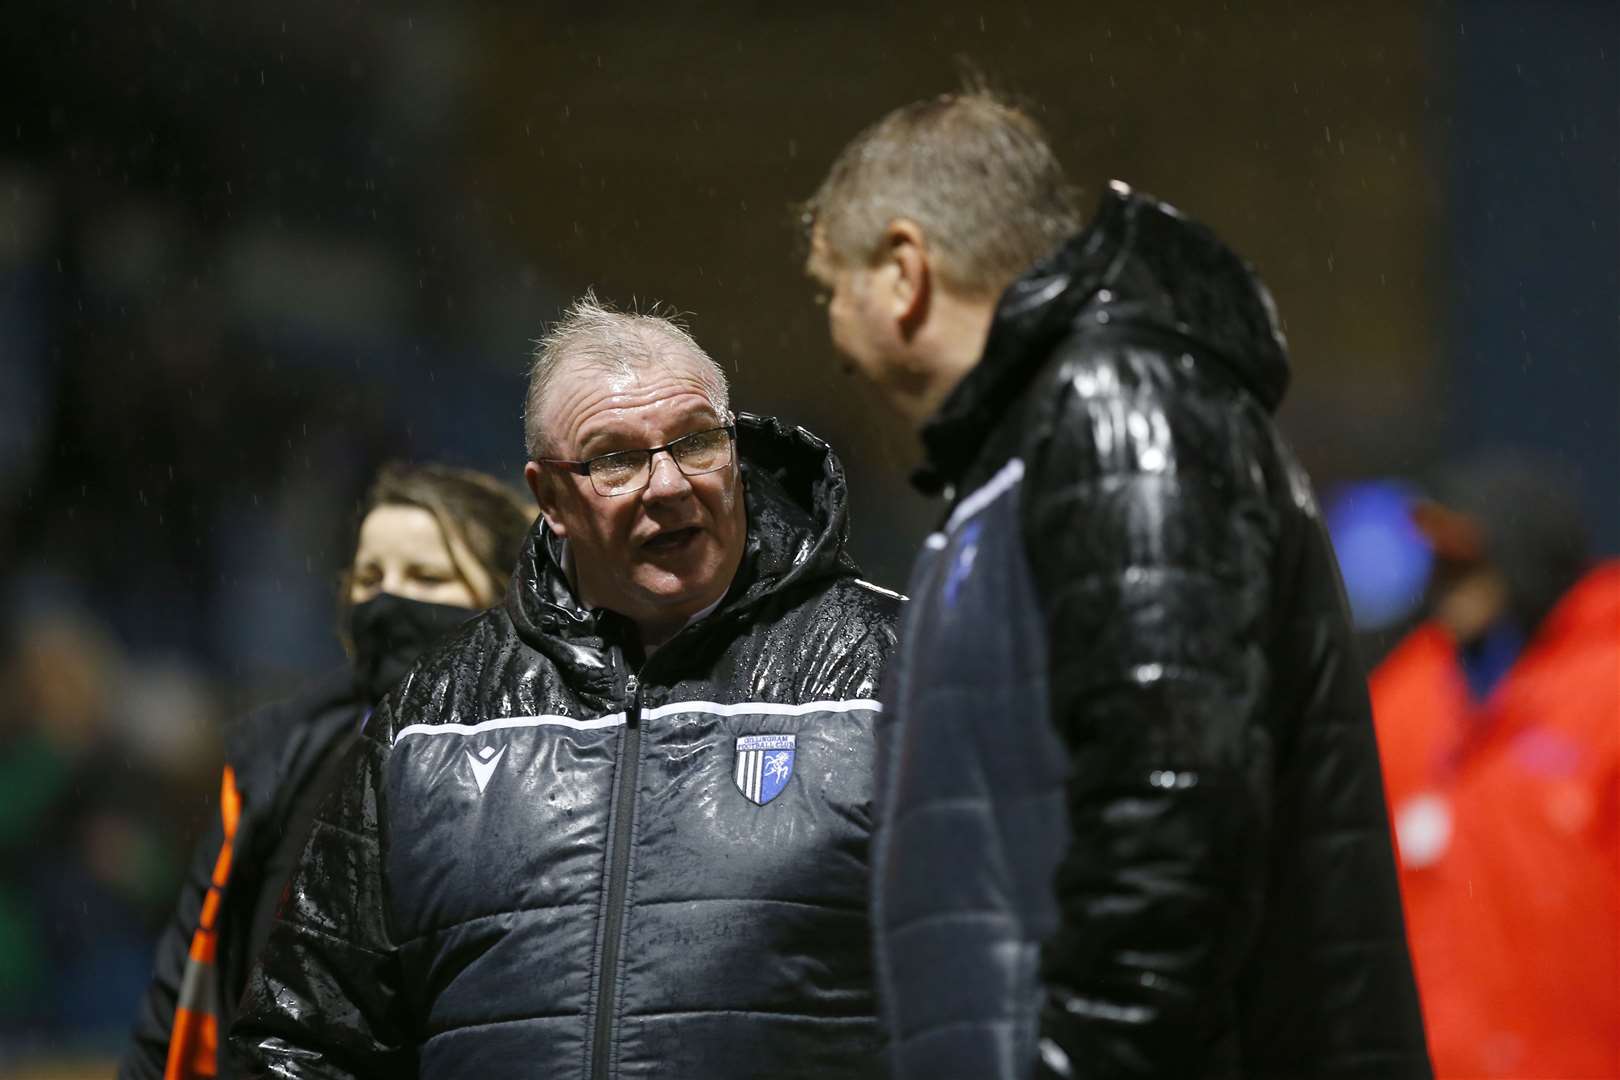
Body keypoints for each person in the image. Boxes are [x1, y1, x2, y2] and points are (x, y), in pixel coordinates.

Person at [801, 91, 1431, 1079]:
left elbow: (1178, 801)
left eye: (829, 289)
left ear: (904, 272)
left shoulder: (1121, 408)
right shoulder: (1030, 452)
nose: (832, 338)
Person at [231, 295, 900, 1078]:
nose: (669, 484)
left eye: (695, 441)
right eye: (615, 458)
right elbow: (305, 1043)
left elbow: (1002, 984)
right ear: (549, 498)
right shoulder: (435, 716)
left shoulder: (893, 667)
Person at [120, 462, 537, 1080]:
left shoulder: (544, 764)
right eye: (370, 576)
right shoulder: (278, 762)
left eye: (427, 576)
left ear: (505, 596)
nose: (387, 598)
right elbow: (185, 995)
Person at [1368, 453, 1618, 1079]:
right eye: (1442, 561)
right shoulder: (1403, 696)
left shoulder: (1607, 688)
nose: (1452, 581)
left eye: (1470, 559)